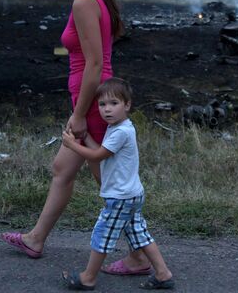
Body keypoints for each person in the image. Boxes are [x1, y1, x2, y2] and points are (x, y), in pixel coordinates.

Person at [0, 0, 151, 274]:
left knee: (112, 187)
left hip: (92, 106)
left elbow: (95, 65)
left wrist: (80, 114)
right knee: (62, 169)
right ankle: (35, 239)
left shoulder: (84, 2)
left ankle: (141, 257)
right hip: (88, 102)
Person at [60, 78, 175, 290]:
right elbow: (102, 153)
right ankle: (163, 273)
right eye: (102, 104)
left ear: (127, 105)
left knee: (102, 233)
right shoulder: (119, 127)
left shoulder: (121, 132)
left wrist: (71, 145)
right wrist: (84, 136)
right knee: (139, 233)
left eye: (114, 103)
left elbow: (96, 155)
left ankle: (88, 278)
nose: (107, 109)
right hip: (130, 194)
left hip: (121, 196)